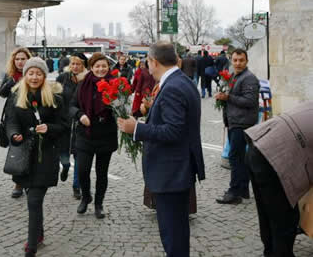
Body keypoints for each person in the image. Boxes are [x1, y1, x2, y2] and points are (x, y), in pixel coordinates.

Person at [117, 41, 205, 257]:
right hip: (178, 168)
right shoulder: (182, 81)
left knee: (172, 233)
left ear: (153, 61)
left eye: (148, 62)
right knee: (177, 230)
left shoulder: (173, 86)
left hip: (171, 171)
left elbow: (173, 131)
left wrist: (137, 128)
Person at [6, 57, 66, 257]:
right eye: (31, 73)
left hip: (46, 155)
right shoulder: (16, 95)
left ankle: (32, 245)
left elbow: (64, 126)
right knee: (34, 200)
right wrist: (14, 135)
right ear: (25, 75)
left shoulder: (55, 97)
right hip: (25, 154)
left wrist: (49, 128)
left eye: (38, 73)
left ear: (44, 76)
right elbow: (11, 122)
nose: (34, 77)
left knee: (33, 199)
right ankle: (39, 233)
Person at [245, 102, 313, 257]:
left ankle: (270, 252)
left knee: (267, 214)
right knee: (286, 218)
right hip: (274, 158)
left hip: (257, 146)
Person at [69, 53, 118, 219]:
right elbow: (72, 106)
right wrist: (80, 115)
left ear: (108, 67)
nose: (101, 69)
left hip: (106, 135)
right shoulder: (83, 84)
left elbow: (122, 107)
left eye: (104, 66)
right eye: (97, 66)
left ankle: (99, 203)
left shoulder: (115, 83)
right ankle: (86, 196)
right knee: (82, 171)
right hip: (85, 134)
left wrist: (116, 102)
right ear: (91, 67)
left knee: (101, 173)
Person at [215, 48, 260, 205]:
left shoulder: (249, 78)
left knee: (235, 157)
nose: (238, 63)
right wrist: (222, 96)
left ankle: (234, 192)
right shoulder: (234, 76)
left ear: (246, 61)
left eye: (241, 60)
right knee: (239, 157)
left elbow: (250, 101)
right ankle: (242, 190)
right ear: (231, 61)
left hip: (243, 122)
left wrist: (228, 97)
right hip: (234, 121)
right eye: (235, 60)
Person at [0, 47, 32, 198]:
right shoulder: (10, 75)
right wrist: (11, 81)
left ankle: (30, 182)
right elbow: (2, 93)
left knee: (31, 149)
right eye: (17, 59)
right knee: (17, 149)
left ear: (28, 60)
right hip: (13, 117)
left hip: (30, 116)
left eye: (22, 59)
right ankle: (18, 184)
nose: (19, 62)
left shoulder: (33, 74)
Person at [55, 53, 88, 199]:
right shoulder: (62, 78)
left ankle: (76, 186)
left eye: (78, 64)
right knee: (65, 157)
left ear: (83, 66)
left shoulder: (87, 80)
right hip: (63, 123)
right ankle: (65, 168)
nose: (75, 67)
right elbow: (53, 97)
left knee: (79, 156)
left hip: (80, 123)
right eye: (73, 64)